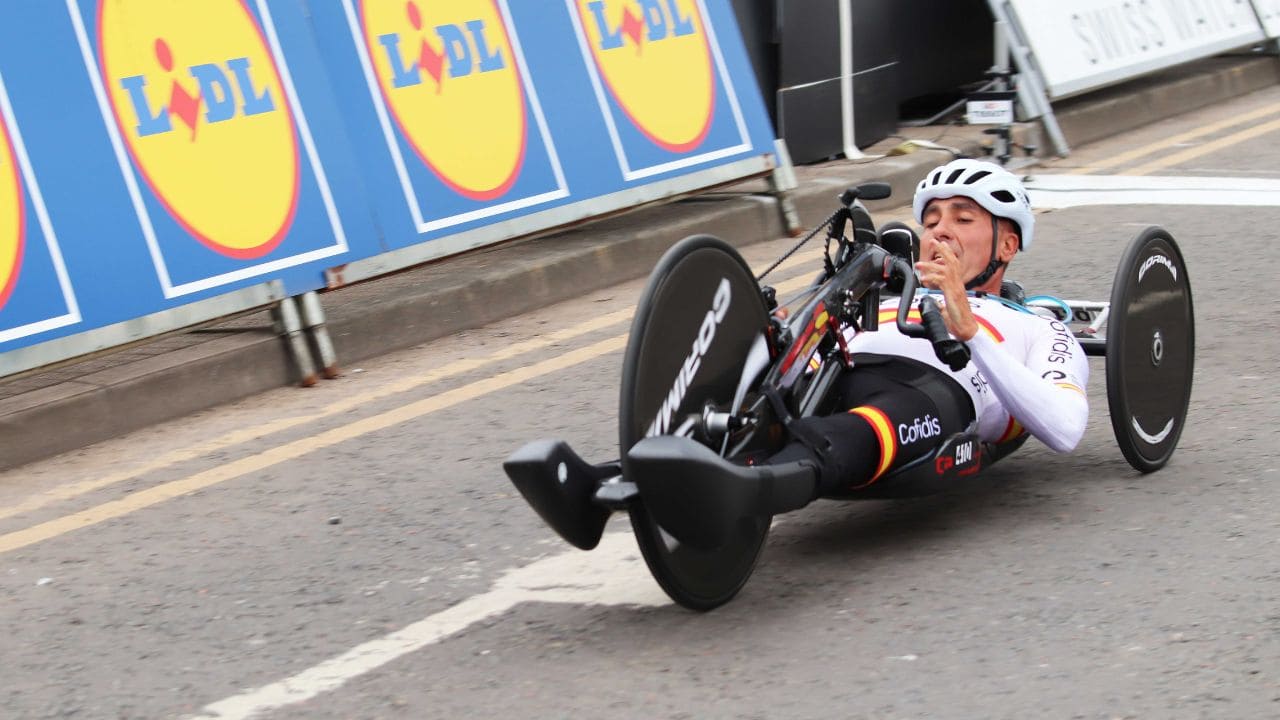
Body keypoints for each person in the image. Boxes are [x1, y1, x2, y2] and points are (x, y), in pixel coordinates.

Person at [757, 157, 1090, 498]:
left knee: (871, 424)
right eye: (931, 223)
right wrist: (778, 346)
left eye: (962, 219)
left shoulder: (1036, 326)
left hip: (924, 392)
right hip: (837, 373)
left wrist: (971, 334)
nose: (940, 231)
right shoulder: (883, 298)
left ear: (1007, 245)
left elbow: (1065, 428)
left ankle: (758, 485)